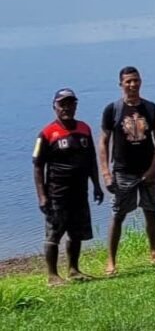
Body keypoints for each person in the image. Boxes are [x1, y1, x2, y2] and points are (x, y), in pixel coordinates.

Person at [98, 66, 155, 276]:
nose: (132, 85)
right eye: (128, 81)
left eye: (136, 80)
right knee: (118, 214)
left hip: (147, 170)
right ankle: (111, 260)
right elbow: (103, 142)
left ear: (141, 82)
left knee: (150, 210)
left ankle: (154, 251)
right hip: (123, 171)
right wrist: (106, 173)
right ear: (121, 84)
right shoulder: (113, 110)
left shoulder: (150, 108)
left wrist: (153, 168)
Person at [34, 88, 104, 286]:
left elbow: (91, 159)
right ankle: (52, 276)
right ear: (54, 107)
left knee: (76, 233)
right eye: (62, 104)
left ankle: (73, 269)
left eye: (70, 103)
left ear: (76, 105)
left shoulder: (84, 128)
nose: (67, 108)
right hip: (56, 193)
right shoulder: (46, 133)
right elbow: (38, 166)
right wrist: (42, 196)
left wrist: (97, 185)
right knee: (53, 234)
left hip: (79, 191)